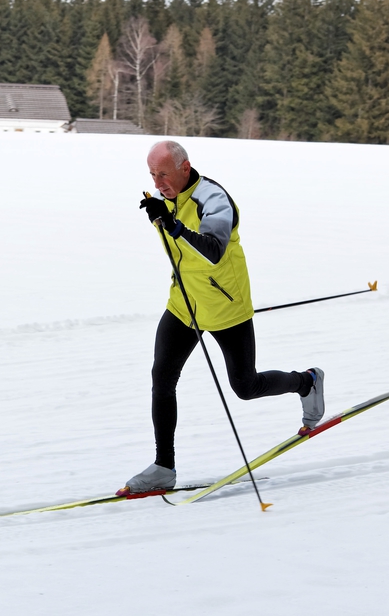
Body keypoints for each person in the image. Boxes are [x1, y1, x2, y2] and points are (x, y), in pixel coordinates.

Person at [120, 140, 324, 494]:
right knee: (162, 378)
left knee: (245, 386)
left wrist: (173, 226)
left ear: (185, 168)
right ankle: (163, 467)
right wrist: (162, 215)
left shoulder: (213, 199)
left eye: (163, 174)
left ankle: (306, 382)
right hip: (184, 304)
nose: (157, 183)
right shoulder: (166, 199)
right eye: (152, 175)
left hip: (226, 305)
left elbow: (214, 252)